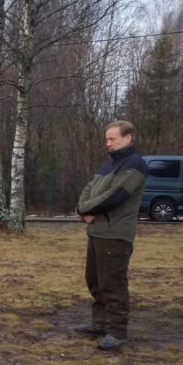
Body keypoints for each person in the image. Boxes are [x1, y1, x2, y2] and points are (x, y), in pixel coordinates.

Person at [74, 121, 148, 351]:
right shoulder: (110, 163)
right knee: (94, 280)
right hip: (97, 232)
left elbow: (114, 196)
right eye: (107, 139)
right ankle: (100, 324)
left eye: (112, 139)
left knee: (112, 284)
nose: (108, 143)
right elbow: (89, 187)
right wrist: (81, 209)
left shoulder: (134, 166)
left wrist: (88, 209)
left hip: (115, 235)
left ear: (128, 138)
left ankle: (116, 332)